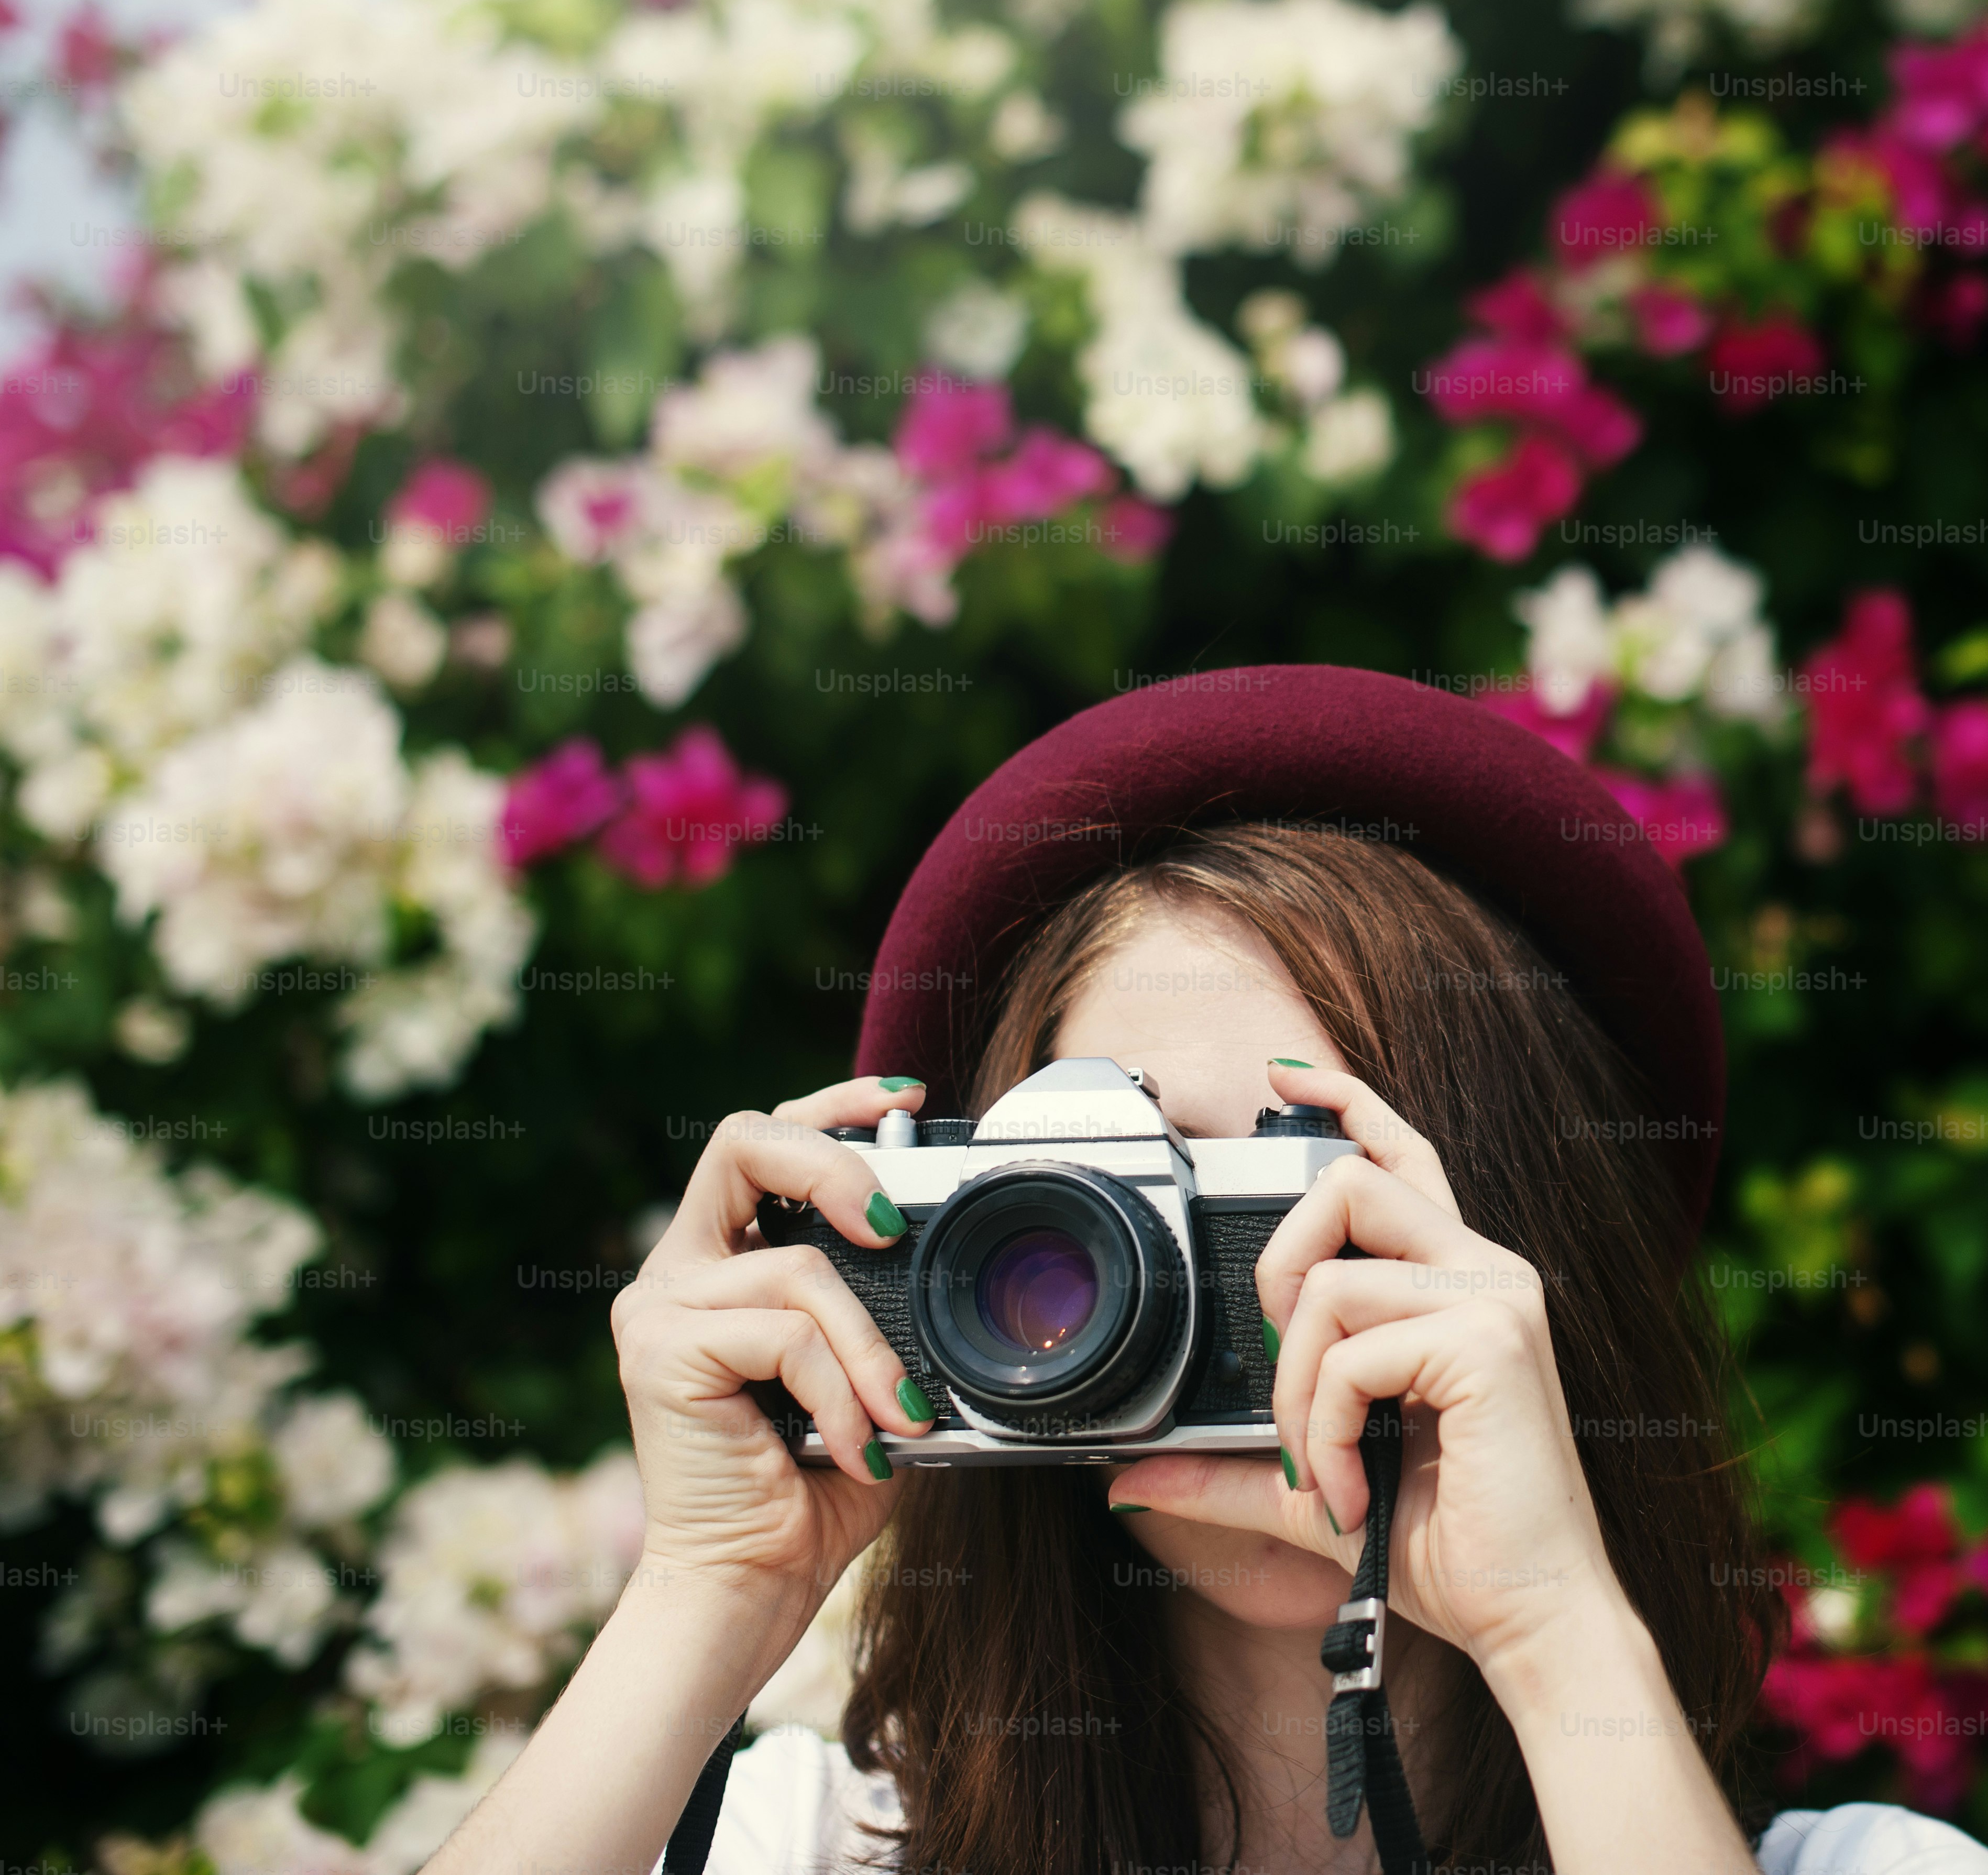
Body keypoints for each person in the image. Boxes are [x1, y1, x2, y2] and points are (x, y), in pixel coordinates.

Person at [423, 669, 1988, 1875]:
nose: (1246, 1289)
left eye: (1313, 1187)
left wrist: (1552, 1627)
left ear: (1527, 1257)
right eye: (1116, 1195)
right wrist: (709, 1594)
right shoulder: (798, 1841)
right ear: (970, 1250)